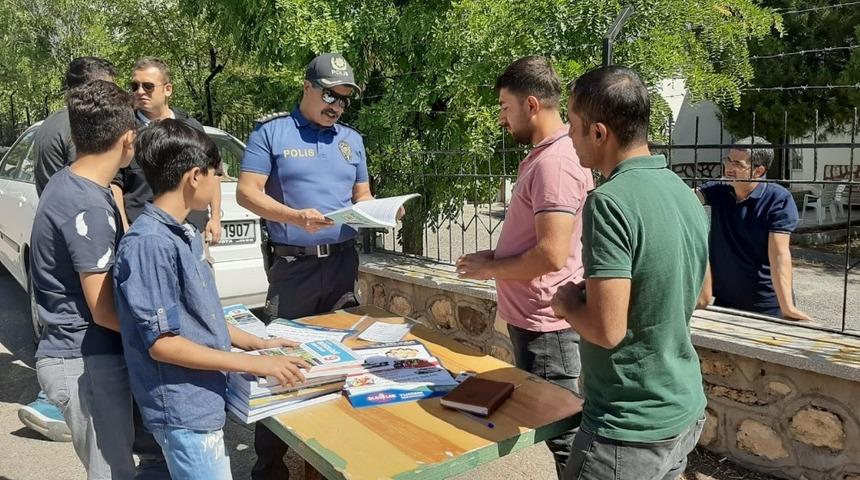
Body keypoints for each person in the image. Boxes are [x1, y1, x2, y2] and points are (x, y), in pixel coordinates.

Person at [113, 119, 310, 479]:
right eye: (217, 174)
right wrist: (254, 365)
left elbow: (201, 315)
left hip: (201, 400)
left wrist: (258, 344)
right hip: (183, 407)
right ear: (194, 176)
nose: (219, 182)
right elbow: (163, 344)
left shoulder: (183, 233)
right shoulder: (150, 244)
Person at [550, 66, 708, 480]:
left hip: (627, 427)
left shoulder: (609, 202)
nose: (569, 135)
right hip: (682, 410)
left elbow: (607, 330)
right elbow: (703, 293)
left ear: (599, 133)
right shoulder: (684, 192)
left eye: (573, 126)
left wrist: (568, 304)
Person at [237, 52, 373, 480]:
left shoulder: (352, 140)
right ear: (307, 87)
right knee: (281, 363)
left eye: (344, 98)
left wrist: (382, 212)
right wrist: (295, 218)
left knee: (344, 362)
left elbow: (363, 197)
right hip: (293, 269)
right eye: (330, 94)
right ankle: (270, 469)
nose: (337, 105)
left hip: (342, 265)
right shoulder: (271, 132)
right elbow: (246, 193)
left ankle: (336, 459)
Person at [455, 55, 592, 477]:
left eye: (505, 107)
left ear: (531, 105)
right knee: (557, 430)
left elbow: (551, 254)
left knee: (563, 434)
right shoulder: (547, 155)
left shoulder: (555, 163)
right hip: (535, 319)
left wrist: (491, 269)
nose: (501, 118)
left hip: (546, 325)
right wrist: (495, 259)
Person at [30, 80, 138, 478]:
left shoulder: (71, 181)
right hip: (85, 361)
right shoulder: (87, 205)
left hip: (80, 355)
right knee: (113, 473)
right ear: (128, 139)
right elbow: (103, 309)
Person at [23, 56, 117, 443]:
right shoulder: (81, 132)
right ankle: (56, 398)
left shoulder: (50, 125)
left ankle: (53, 395)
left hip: (59, 236)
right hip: (82, 241)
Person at [696, 137, 811, 321]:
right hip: (724, 301)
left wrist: (788, 307)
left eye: (737, 164)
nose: (729, 168)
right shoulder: (719, 188)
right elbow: (686, 199)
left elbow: (779, 254)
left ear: (759, 171)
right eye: (728, 160)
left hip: (765, 305)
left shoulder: (778, 199)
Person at [113, 56, 221, 243]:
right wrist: (124, 226)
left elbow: (212, 172)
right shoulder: (125, 130)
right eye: (135, 86)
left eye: (148, 86)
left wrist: (215, 217)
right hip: (145, 232)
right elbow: (115, 183)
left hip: (193, 229)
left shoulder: (191, 127)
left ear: (168, 89)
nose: (140, 92)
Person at [33, 57, 117, 196]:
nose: (114, 96)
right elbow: (87, 182)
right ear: (91, 89)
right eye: (109, 89)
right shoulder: (77, 125)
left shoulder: (53, 121)